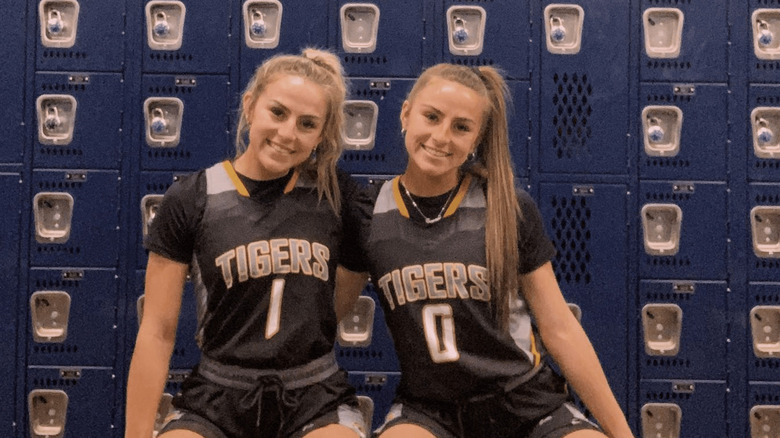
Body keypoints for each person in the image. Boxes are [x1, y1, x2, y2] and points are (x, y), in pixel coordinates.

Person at [341, 64, 635, 438]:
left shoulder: (506, 207)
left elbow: (560, 329)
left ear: (477, 138)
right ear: (405, 114)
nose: (441, 136)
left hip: (526, 402)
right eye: (431, 117)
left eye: (461, 127)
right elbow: (324, 319)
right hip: (430, 410)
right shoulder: (369, 213)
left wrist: (622, 433)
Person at [125, 48, 368, 438]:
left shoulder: (338, 197)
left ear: (321, 134)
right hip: (218, 395)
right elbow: (157, 330)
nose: (288, 133)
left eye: (307, 124)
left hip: (314, 394)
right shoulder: (192, 198)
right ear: (250, 105)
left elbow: (344, 293)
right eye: (278, 112)